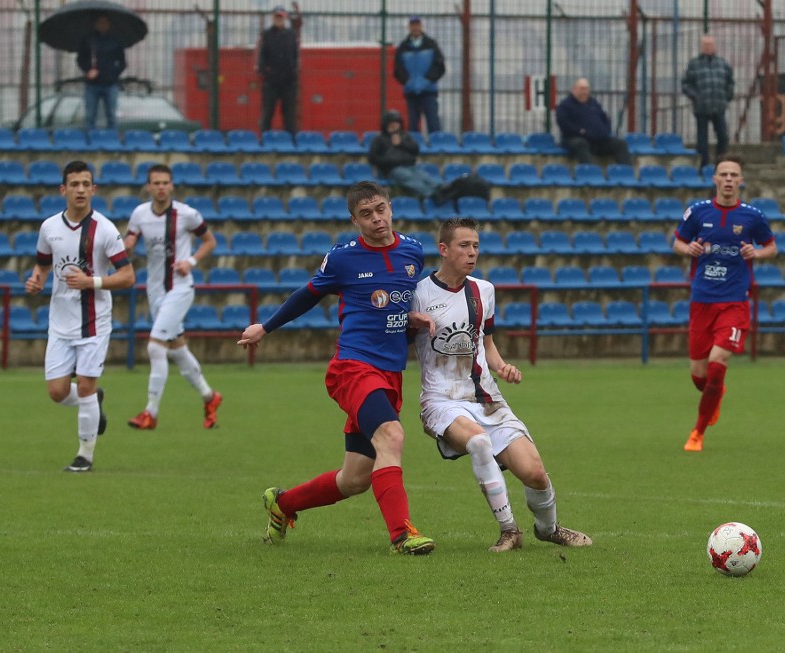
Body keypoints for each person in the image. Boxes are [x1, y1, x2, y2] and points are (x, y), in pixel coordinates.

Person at [238, 181, 436, 555]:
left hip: (390, 372)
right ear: (354, 220)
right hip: (353, 367)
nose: (376, 219)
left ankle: (283, 504)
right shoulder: (343, 258)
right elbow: (307, 295)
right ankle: (402, 534)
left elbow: (393, 309)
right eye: (366, 214)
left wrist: (414, 320)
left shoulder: (413, 251)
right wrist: (265, 327)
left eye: (380, 209)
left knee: (356, 478)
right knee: (392, 436)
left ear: (391, 207)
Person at [411, 217, 593, 552]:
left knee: (535, 473)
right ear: (443, 249)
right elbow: (395, 338)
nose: (472, 252)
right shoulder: (419, 294)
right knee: (479, 443)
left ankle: (548, 528)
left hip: (486, 397)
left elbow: (487, 345)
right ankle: (510, 530)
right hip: (441, 400)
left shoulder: (484, 290)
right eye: (464, 245)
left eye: (476, 246)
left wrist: (503, 367)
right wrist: (410, 320)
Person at [24, 160, 135, 472]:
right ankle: (94, 400)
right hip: (59, 321)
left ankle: (84, 456)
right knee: (57, 393)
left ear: (94, 189)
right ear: (64, 190)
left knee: (84, 385)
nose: (81, 190)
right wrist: (37, 280)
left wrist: (92, 282)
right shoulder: (49, 228)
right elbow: (43, 264)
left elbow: (127, 276)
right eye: (75, 184)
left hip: (94, 321)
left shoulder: (106, 230)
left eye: (86, 184)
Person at [672, 153, 777, 452]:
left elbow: (772, 247)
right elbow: (677, 242)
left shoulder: (752, 216)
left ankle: (697, 433)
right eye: (724, 174)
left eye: (734, 175)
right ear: (715, 179)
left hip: (734, 302)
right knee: (699, 376)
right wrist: (687, 248)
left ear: (741, 181)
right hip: (702, 300)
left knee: (718, 364)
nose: (729, 180)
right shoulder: (698, 212)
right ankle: (714, 395)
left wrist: (756, 253)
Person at [122, 164, 222, 431]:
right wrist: (127, 248)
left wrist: (190, 261)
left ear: (172, 185)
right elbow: (128, 245)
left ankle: (150, 413)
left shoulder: (186, 214)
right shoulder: (139, 214)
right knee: (177, 349)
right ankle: (210, 397)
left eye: (165, 182)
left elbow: (210, 241)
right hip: (155, 290)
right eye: (156, 183)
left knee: (155, 347)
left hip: (180, 288)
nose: (161, 187)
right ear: (148, 186)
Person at [682, 34, 735, 170]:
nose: (708, 47)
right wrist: (696, 97)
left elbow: (730, 82)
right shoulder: (694, 64)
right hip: (702, 107)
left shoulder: (722, 63)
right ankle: (703, 166)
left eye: (710, 45)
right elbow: (686, 84)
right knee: (702, 140)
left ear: (714, 46)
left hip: (718, 106)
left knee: (723, 137)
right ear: (702, 47)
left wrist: (726, 96)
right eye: (705, 45)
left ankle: (720, 164)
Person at [555, 78, 631, 165]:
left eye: (586, 88)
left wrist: (605, 131)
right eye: (582, 88)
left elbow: (605, 119)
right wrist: (580, 131)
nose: (584, 91)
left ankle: (626, 172)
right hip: (575, 138)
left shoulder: (593, 103)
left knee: (620, 144)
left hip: (598, 139)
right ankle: (591, 173)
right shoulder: (565, 105)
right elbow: (564, 123)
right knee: (581, 144)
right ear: (574, 89)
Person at [368, 109, 441, 199]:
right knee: (408, 177)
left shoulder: (405, 136)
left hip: (410, 166)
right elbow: (373, 157)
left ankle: (442, 189)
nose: (394, 126)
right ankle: (431, 194)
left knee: (424, 176)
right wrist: (390, 161)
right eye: (391, 123)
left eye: (396, 123)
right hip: (393, 169)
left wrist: (401, 143)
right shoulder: (379, 139)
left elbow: (415, 149)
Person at [393, 15, 445, 134]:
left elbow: (439, 66)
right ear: (409, 27)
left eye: (417, 25)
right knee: (412, 124)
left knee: (433, 123)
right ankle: (413, 149)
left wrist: (427, 80)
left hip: (429, 91)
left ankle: (436, 149)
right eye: (413, 25)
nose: (415, 28)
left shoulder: (431, 44)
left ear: (421, 26)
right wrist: (407, 82)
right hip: (411, 92)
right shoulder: (403, 47)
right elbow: (398, 69)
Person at [76, 13, 127, 132]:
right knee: (90, 115)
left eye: (105, 22)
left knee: (111, 115)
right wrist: (88, 70)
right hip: (92, 85)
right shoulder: (88, 40)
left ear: (108, 25)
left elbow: (122, 62)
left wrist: (113, 74)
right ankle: (90, 141)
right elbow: (80, 59)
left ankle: (111, 141)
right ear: (95, 24)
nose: (102, 25)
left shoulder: (115, 41)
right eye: (100, 22)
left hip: (110, 84)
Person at [256, 5, 299, 134]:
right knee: (267, 113)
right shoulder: (267, 35)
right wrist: (265, 71)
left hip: (288, 81)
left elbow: (295, 55)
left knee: (289, 115)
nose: (279, 20)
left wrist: (293, 71)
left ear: (285, 19)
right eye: (277, 17)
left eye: (281, 17)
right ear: (273, 18)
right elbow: (262, 56)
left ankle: (291, 141)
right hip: (271, 81)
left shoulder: (291, 35)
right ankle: (264, 139)